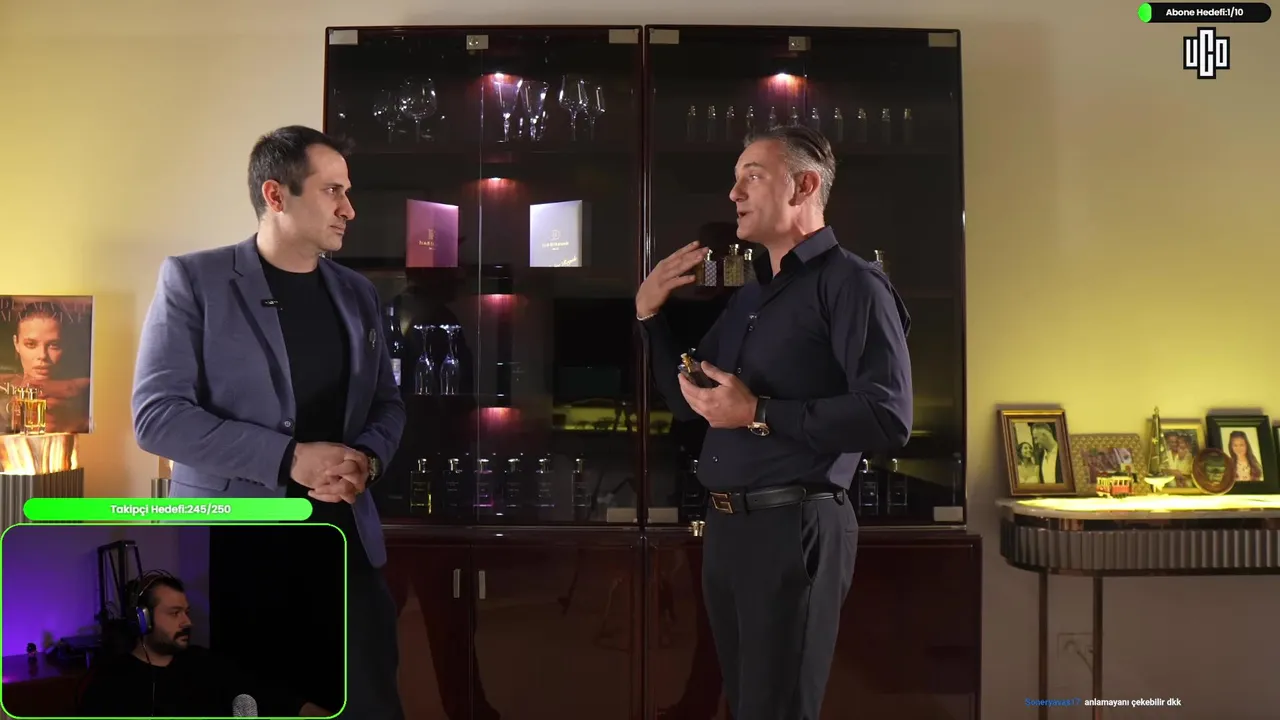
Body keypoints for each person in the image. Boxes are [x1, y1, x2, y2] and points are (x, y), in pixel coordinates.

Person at [635, 124, 913, 720]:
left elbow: (888, 417)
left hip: (794, 524)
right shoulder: (753, 293)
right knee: (746, 705)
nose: (734, 193)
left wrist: (759, 413)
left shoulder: (853, 284)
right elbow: (691, 401)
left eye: (752, 176)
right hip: (727, 529)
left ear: (804, 186)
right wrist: (651, 318)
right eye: (735, 179)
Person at [131, 125, 406, 719]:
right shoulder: (193, 280)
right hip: (235, 552)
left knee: (370, 704)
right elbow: (157, 417)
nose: (349, 209)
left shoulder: (358, 293)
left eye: (348, 191)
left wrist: (368, 459)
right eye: (333, 191)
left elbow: (388, 403)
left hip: (344, 547)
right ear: (276, 195)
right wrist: (289, 459)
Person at [78, 572, 328, 717]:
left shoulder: (204, 661)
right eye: (175, 613)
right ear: (143, 620)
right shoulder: (110, 683)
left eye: (186, 612)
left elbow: (268, 695)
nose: (187, 622)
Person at [1, 303, 91, 432]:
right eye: (31, 344)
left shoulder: (85, 400)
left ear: (65, 345)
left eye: (54, 345)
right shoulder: (5, 390)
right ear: (16, 344)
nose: (42, 355)